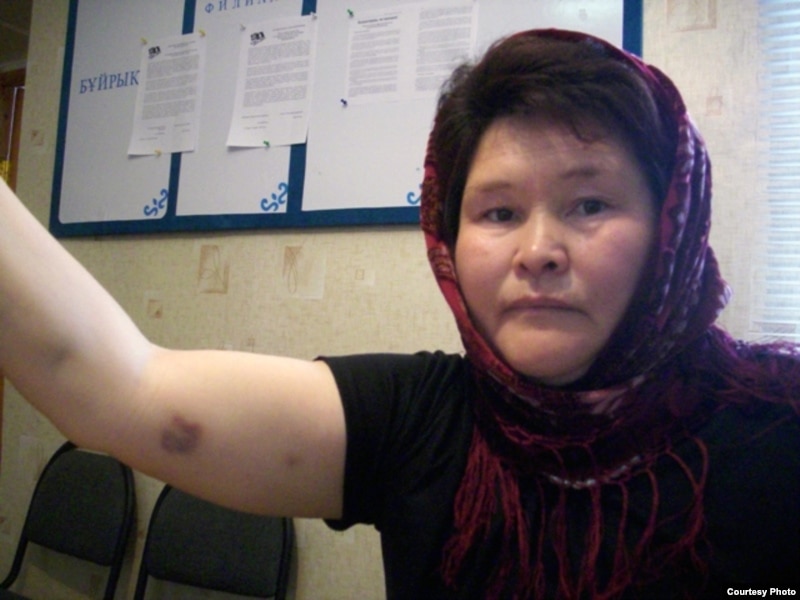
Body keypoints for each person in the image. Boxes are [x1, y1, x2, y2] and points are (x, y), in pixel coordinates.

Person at [1, 28, 798, 599]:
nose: (538, 251)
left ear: (671, 225)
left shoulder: (776, 425)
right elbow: (118, 387)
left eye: (590, 203)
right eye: (498, 213)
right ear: (449, 240)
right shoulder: (420, 422)